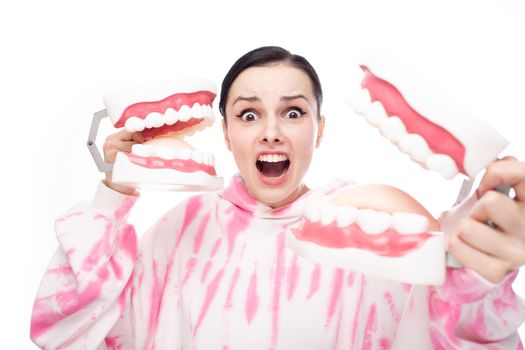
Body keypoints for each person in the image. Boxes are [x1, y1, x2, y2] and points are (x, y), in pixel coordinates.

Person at [30, 46, 525, 349]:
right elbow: (67, 332)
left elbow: (441, 337)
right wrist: (112, 194)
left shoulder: (369, 229)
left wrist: (475, 272)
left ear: (318, 129)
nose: (270, 133)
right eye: (248, 115)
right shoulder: (181, 230)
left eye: (292, 113)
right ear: (225, 134)